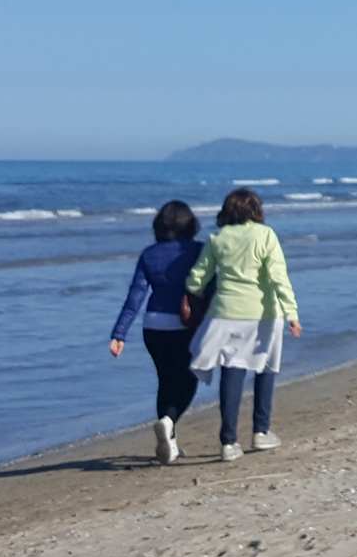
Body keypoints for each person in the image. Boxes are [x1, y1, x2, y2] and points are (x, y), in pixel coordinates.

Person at [184, 188, 302, 458]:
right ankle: (261, 432)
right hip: (264, 314)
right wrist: (292, 313)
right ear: (257, 210)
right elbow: (278, 276)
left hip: (226, 313)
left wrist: (192, 291)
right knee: (266, 369)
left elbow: (197, 278)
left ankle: (228, 442)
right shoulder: (266, 235)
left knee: (232, 370)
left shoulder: (218, 238)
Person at [109, 200, 211, 465]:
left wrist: (119, 333)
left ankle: (170, 442)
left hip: (153, 327)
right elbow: (211, 287)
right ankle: (169, 421)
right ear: (190, 225)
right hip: (185, 325)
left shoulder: (149, 254)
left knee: (165, 381)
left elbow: (135, 297)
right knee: (188, 380)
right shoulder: (198, 250)